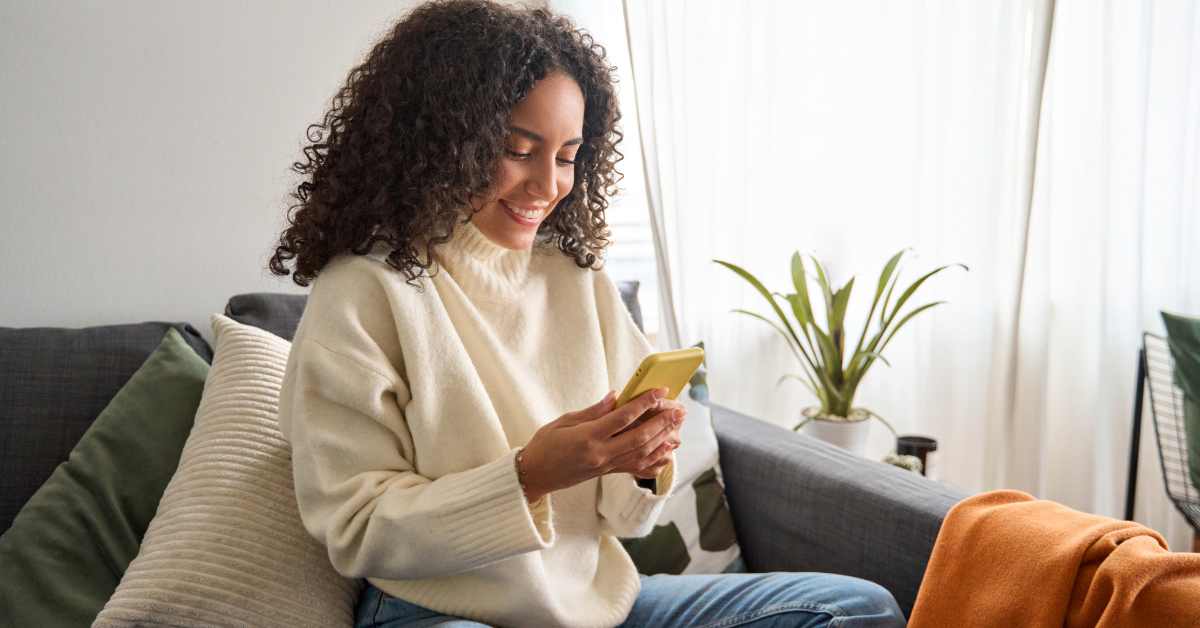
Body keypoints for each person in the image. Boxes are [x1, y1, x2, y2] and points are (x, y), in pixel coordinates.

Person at [270, 1, 906, 627]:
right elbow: (356, 530)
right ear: (440, 142)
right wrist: (530, 476)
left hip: (596, 605)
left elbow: (625, 518)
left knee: (853, 608)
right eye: (519, 149)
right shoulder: (363, 291)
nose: (549, 185)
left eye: (568, 155)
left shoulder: (577, 279)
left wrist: (644, 459)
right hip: (436, 611)